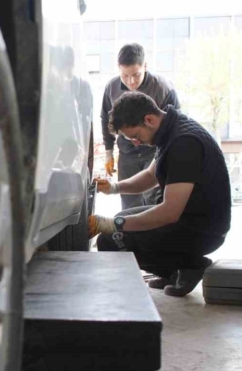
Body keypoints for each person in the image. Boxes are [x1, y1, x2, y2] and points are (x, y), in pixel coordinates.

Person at [89, 92, 231, 297]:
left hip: (202, 230)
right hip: (189, 218)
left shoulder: (184, 142)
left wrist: (114, 224)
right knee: (119, 225)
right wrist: (114, 188)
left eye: (136, 136)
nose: (136, 143)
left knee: (110, 240)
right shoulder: (171, 130)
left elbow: (169, 213)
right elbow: (149, 176)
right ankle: (173, 272)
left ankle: (190, 265)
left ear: (149, 119)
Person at [101, 43, 180, 210]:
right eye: (125, 75)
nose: (131, 81)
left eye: (136, 75)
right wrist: (109, 152)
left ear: (145, 66)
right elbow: (106, 119)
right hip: (127, 152)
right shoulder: (111, 88)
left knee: (153, 199)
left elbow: (175, 124)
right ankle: (130, 234)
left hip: (155, 150)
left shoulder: (163, 88)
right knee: (128, 202)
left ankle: (150, 234)